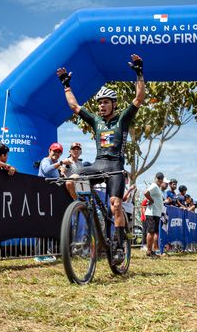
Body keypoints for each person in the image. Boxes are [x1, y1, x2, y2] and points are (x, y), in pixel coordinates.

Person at [56, 54, 146, 256]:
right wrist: (66, 86)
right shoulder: (96, 121)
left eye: (106, 102)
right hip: (98, 165)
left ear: (114, 104)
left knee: (115, 205)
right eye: (100, 103)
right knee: (71, 181)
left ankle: (120, 244)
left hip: (115, 167)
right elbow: (74, 106)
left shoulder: (122, 119)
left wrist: (139, 73)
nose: (102, 106)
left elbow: (139, 98)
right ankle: (84, 209)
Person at [143, 172, 165, 258]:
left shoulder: (158, 188)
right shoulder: (154, 186)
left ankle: (152, 250)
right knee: (151, 232)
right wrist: (151, 200)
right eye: (158, 178)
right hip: (151, 213)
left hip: (156, 213)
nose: (160, 179)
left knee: (154, 232)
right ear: (155, 178)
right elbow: (146, 193)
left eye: (161, 178)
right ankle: (149, 251)